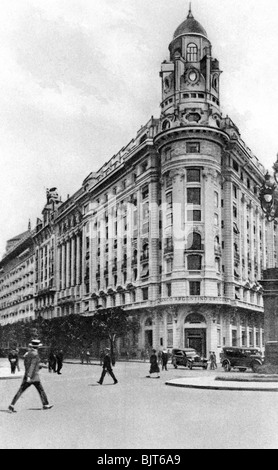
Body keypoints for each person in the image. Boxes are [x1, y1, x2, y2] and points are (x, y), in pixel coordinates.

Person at [8, 339, 53, 413]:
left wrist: (30, 373)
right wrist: (30, 375)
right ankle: (45, 404)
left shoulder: (28, 354)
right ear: (37, 347)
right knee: (41, 390)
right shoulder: (35, 354)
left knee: (21, 390)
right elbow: (32, 365)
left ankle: (11, 405)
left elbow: (28, 364)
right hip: (33, 376)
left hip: (27, 375)